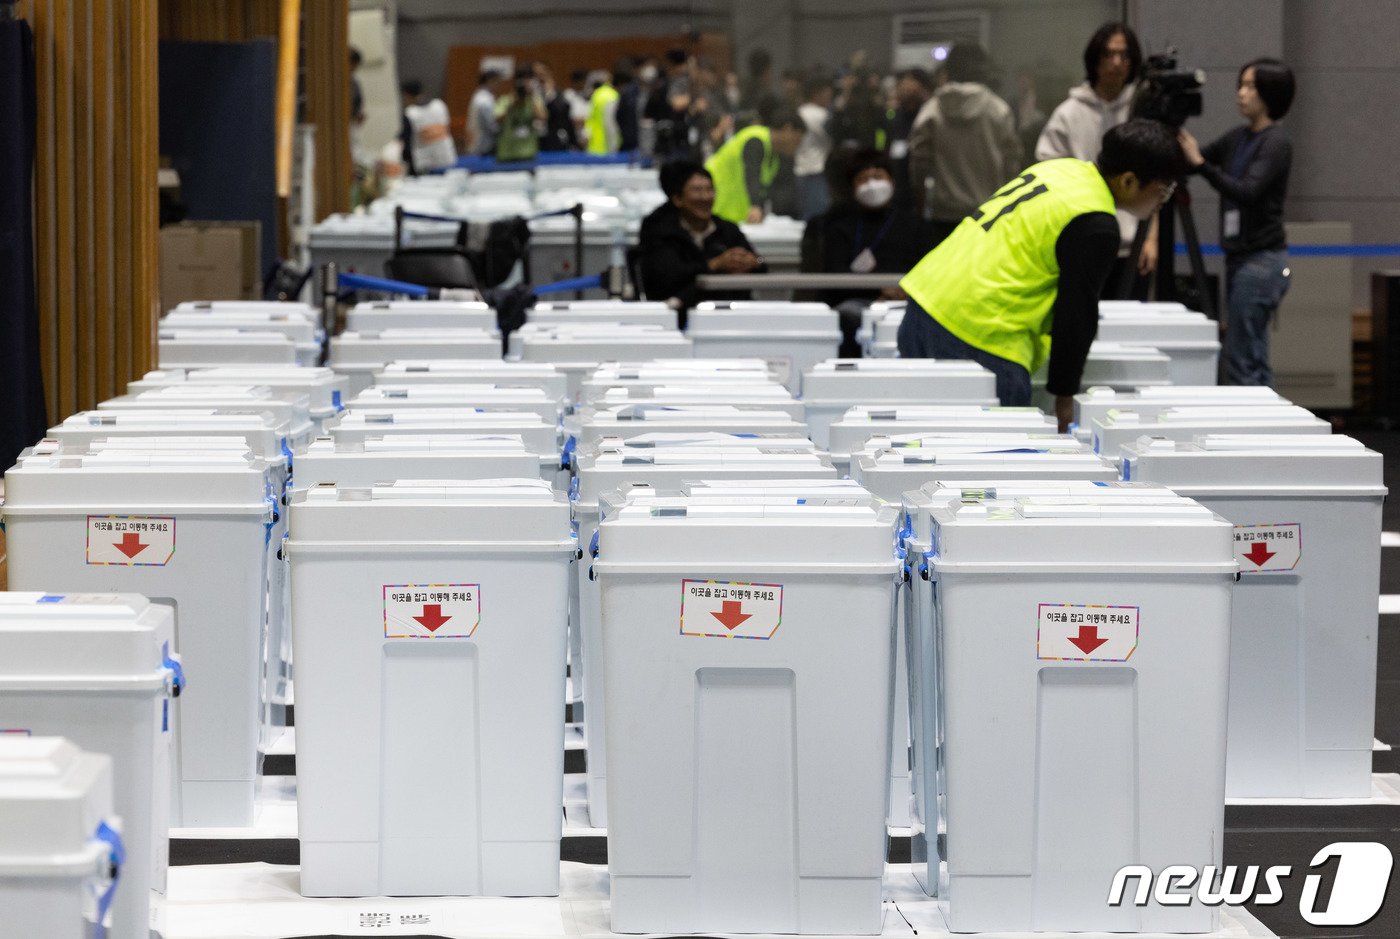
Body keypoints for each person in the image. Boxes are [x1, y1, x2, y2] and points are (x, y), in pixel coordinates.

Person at [897, 119, 1186, 431]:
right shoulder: (1095, 221)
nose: (1163, 201)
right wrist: (1065, 396)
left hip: (924, 306)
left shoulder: (1061, 170)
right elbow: (1075, 313)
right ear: (1129, 181)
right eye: (1163, 189)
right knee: (988, 462)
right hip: (981, 335)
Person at [1178, 59, 1295, 386]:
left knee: (1244, 358)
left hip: (1261, 260)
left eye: (1250, 86)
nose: (1241, 94)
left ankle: (1260, 428)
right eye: (1240, 85)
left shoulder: (1275, 142)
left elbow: (1248, 191)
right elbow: (1195, 160)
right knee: (1248, 353)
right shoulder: (1238, 138)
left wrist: (1202, 165)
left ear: (1270, 93)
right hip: (1240, 259)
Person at [1035, 23, 1156, 284]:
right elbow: (1048, 174)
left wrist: (1151, 238)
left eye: (1124, 56)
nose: (1116, 63)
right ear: (1094, 59)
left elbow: (1157, 182)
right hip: (1080, 242)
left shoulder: (1142, 112)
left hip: (1131, 246)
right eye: (1108, 54)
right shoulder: (1068, 113)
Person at [801, 148, 935, 355]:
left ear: (892, 181)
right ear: (852, 187)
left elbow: (931, 269)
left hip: (908, 302)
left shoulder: (915, 225)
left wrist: (906, 292)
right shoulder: (839, 226)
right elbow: (834, 277)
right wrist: (879, 291)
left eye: (878, 176)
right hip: (858, 303)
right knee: (846, 315)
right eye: (863, 179)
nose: (872, 185)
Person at [907, 43, 1022, 244]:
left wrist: (920, 206)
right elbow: (1011, 166)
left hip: (943, 216)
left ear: (949, 69)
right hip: (990, 212)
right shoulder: (998, 109)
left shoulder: (931, 110)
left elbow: (919, 167)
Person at [638, 161, 766, 321]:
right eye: (697, 191)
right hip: (677, 316)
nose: (705, 197)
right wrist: (714, 265)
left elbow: (761, 267)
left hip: (733, 316)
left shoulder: (727, 230)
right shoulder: (661, 230)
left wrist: (755, 262)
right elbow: (666, 276)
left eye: (709, 190)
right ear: (678, 199)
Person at [704, 108, 805, 223]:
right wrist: (756, 206)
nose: (798, 145)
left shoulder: (774, 157)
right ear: (788, 130)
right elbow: (752, 173)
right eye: (798, 139)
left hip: (734, 209)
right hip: (716, 198)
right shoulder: (756, 139)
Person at [888, 68, 932, 209]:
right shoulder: (896, 116)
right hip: (899, 189)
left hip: (925, 191)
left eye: (909, 82)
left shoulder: (930, 116)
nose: (902, 87)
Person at [795, 73, 834, 219]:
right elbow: (834, 135)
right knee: (816, 217)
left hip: (800, 171)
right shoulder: (819, 114)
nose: (830, 95)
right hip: (815, 173)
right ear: (817, 93)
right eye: (827, 91)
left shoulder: (800, 111)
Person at [494, 66, 545, 163]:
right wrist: (512, 105)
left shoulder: (534, 101)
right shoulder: (505, 100)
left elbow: (542, 117)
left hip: (528, 153)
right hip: (507, 153)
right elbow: (497, 119)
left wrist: (531, 96)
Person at [534, 62, 578, 152]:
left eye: (542, 75)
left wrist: (548, 94)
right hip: (534, 138)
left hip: (552, 138)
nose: (539, 78)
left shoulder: (557, 95)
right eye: (536, 75)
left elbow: (559, 113)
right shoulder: (529, 95)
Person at [585, 70, 621, 155]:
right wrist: (613, 147)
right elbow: (611, 124)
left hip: (595, 147)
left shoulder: (596, 95)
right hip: (608, 148)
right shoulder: (612, 95)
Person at [468, 69, 502, 156]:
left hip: (479, 142)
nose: (498, 85)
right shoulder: (484, 100)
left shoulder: (479, 95)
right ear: (490, 81)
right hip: (484, 146)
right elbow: (490, 125)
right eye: (497, 81)